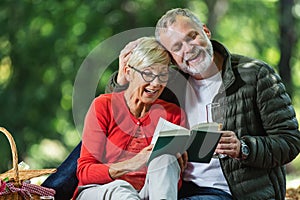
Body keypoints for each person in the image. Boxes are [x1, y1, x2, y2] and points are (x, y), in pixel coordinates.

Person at [106, 8, 300, 200]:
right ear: (170, 56)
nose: (188, 48)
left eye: (192, 37)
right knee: (85, 147)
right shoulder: (170, 83)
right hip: (174, 186)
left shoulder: (255, 75)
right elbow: (121, 115)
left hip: (228, 191)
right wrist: (122, 79)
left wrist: (243, 147)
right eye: (177, 47)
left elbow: (291, 141)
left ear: (206, 32)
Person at [72, 37, 187, 200]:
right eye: (148, 74)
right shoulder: (103, 106)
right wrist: (133, 162)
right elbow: (85, 173)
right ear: (128, 72)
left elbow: (171, 184)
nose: (155, 83)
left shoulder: (173, 113)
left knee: (165, 157)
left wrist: (174, 167)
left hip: (147, 192)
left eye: (162, 75)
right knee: (121, 189)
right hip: (100, 190)